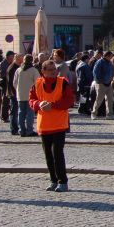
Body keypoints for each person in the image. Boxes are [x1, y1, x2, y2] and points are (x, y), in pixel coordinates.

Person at [29, 59, 74, 192]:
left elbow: (69, 100)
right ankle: (53, 180)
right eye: (50, 70)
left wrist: (53, 105)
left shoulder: (63, 82)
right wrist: (38, 104)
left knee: (57, 153)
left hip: (59, 124)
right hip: (44, 125)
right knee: (48, 155)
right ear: (43, 71)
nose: (53, 72)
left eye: (54, 69)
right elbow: (31, 100)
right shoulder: (37, 84)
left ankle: (63, 181)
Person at [15, 54, 40, 137]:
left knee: (21, 113)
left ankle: (21, 130)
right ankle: (29, 130)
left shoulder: (18, 70)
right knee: (30, 113)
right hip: (30, 95)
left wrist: (18, 90)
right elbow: (38, 83)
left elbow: (14, 83)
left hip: (20, 95)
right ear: (31, 61)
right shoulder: (33, 70)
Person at [91, 51, 114, 120]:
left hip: (109, 83)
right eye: (111, 56)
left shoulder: (109, 62)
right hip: (101, 84)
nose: (112, 57)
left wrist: (111, 79)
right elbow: (95, 73)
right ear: (107, 56)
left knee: (110, 100)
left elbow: (112, 71)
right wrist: (100, 82)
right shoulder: (100, 62)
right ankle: (93, 113)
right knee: (99, 99)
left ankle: (110, 115)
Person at [6, 54, 23, 135]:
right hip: (13, 93)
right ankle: (14, 129)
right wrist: (15, 92)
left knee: (15, 111)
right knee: (14, 111)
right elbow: (12, 83)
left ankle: (15, 128)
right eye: (21, 59)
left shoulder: (15, 67)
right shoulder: (13, 68)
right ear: (17, 59)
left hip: (14, 92)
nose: (22, 60)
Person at [0, 50, 14, 123]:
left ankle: (6, 116)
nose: (13, 58)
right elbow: (1, 74)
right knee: (5, 101)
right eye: (12, 56)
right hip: (5, 84)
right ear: (8, 56)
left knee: (8, 101)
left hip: (10, 84)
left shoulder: (10, 63)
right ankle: (3, 117)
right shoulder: (3, 64)